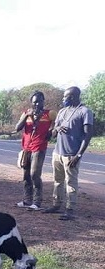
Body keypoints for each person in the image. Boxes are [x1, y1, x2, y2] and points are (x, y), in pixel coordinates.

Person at [42, 87, 94, 220]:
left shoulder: (85, 112)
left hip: (72, 154)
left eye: (65, 97)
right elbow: (53, 132)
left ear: (72, 97)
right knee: (57, 181)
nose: (63, 99)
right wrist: (57, 128)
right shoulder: (62, 111)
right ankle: (56, 204)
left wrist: (79, 155)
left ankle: (70, 209)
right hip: (57, 152)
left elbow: (88, 135)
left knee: (71, 182)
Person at [14, 91, 56, 210]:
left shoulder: (49, 114)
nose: (37, 104)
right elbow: (17, 128)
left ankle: (37, 202)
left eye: (39, 101)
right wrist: (27, 116)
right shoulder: (26, 113)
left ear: (43, 101)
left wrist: (52, 131)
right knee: (26, 175)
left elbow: (58, 124)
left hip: (39, 147)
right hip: (26, 148)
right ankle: (27, 200)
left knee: (34, 174)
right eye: (34, 102)